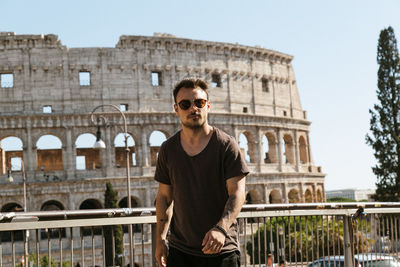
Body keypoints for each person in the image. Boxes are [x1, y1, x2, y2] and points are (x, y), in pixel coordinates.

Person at [155, 78, 249, 267]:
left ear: (208, 106)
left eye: (199, 103)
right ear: (176, 109)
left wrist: (220, 229)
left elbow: (237, 193)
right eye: (185, 104)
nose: (193, 108)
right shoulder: (168, 149)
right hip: (181, 251)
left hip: (222, 250)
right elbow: (164, 197)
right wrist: (161, 239)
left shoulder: (226, 145)